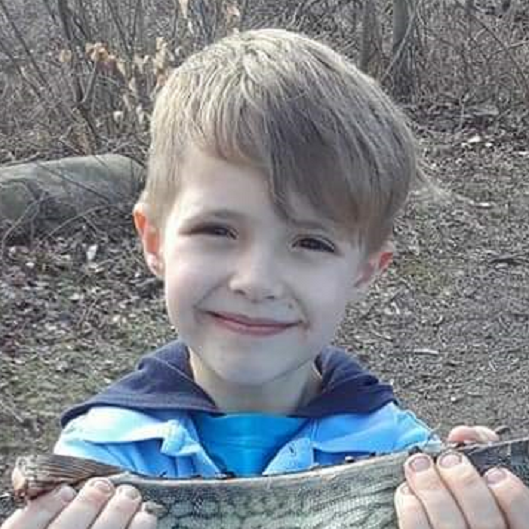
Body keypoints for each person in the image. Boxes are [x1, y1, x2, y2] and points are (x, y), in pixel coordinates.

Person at [3, 28, 528, 529]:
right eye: (217, 230)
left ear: (365, 270)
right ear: (155, 242)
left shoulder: (407, 463)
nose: (256, 281)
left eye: (311, 243)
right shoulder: (97, 466)